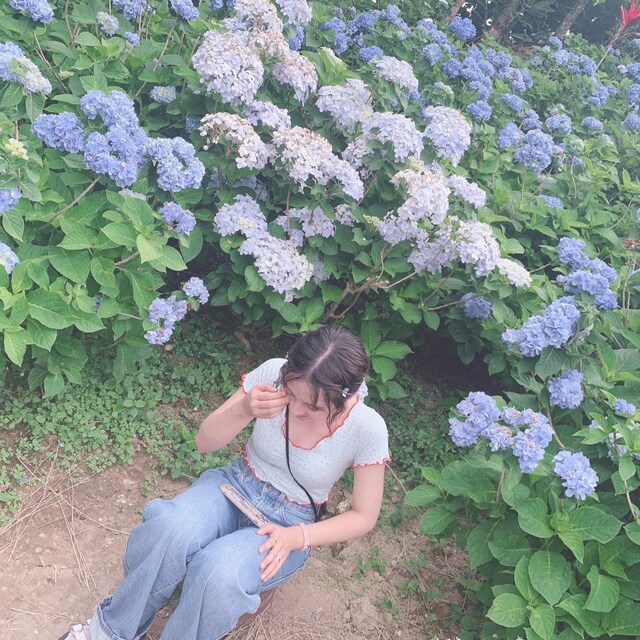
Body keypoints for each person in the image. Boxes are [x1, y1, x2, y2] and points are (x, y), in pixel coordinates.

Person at [60, 325, 390, 640]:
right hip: (237, 483)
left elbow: (364, 515)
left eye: (313, 407)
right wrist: (245, 408)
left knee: (218, 573)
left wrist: (296, 538)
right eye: (291, 394)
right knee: (170, 530)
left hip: (290, 520)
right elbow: (204, 442)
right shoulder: (272, 373)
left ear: (345, 399)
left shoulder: (367, 428)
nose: (297, 410)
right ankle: (112, 630)